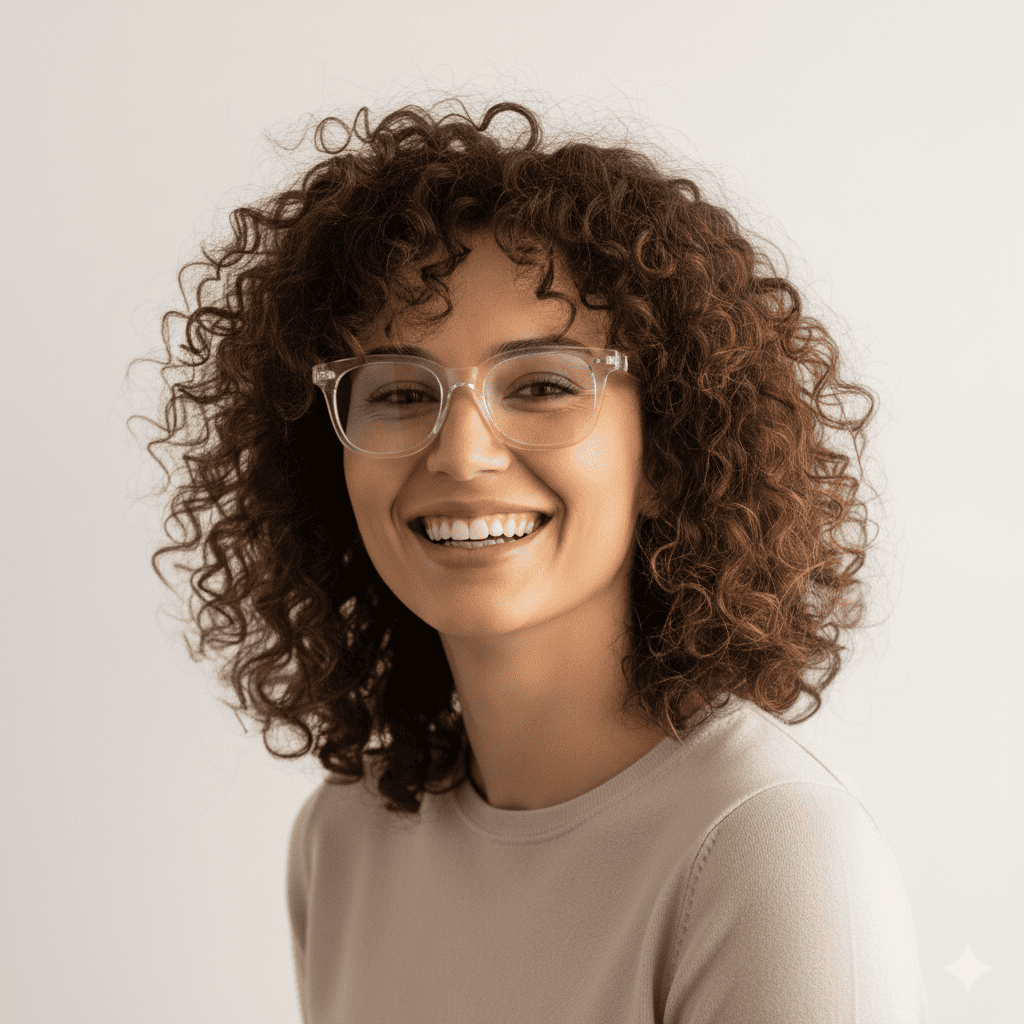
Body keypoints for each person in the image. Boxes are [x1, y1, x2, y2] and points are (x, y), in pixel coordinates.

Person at [136, 99, 929, 1022]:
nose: (461, 452)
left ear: (668, 454)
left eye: (545, 384)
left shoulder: (769, 854)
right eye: (397, 391)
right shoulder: (344, 842)